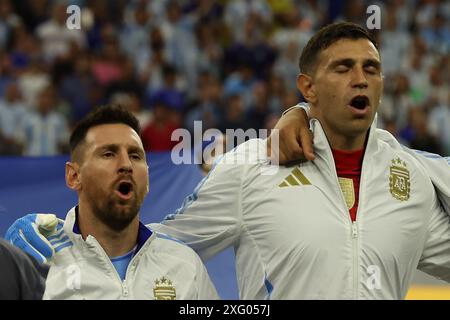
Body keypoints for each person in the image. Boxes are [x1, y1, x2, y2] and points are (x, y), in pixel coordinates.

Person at [6, 22, 450, 299]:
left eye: (371, 69)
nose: (361, 79)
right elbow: (163, 244)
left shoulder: (411, 178)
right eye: (344, 68)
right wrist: (62, 237)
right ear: (308, 88)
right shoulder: (254, 166)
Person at [6, 105, 218, 300]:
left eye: (135, 156)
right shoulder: (39, 259)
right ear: (74, 176)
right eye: (108, 154)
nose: (126, 164)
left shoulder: (184, 265)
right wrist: (11, 267)